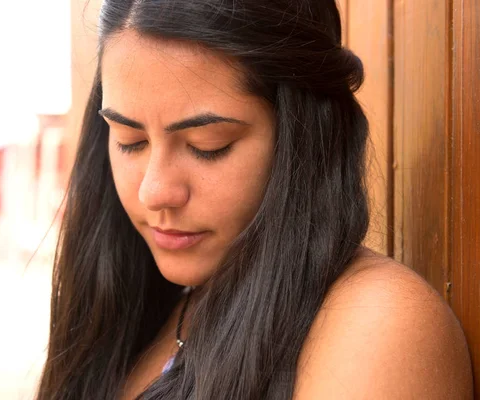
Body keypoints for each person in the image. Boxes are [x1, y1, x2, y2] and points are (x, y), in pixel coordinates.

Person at [36, 0, 473, 399]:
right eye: (130, 140)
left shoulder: (379, 326)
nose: (155, 191)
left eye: (208, 145)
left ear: (302, 133)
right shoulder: (154, 306)